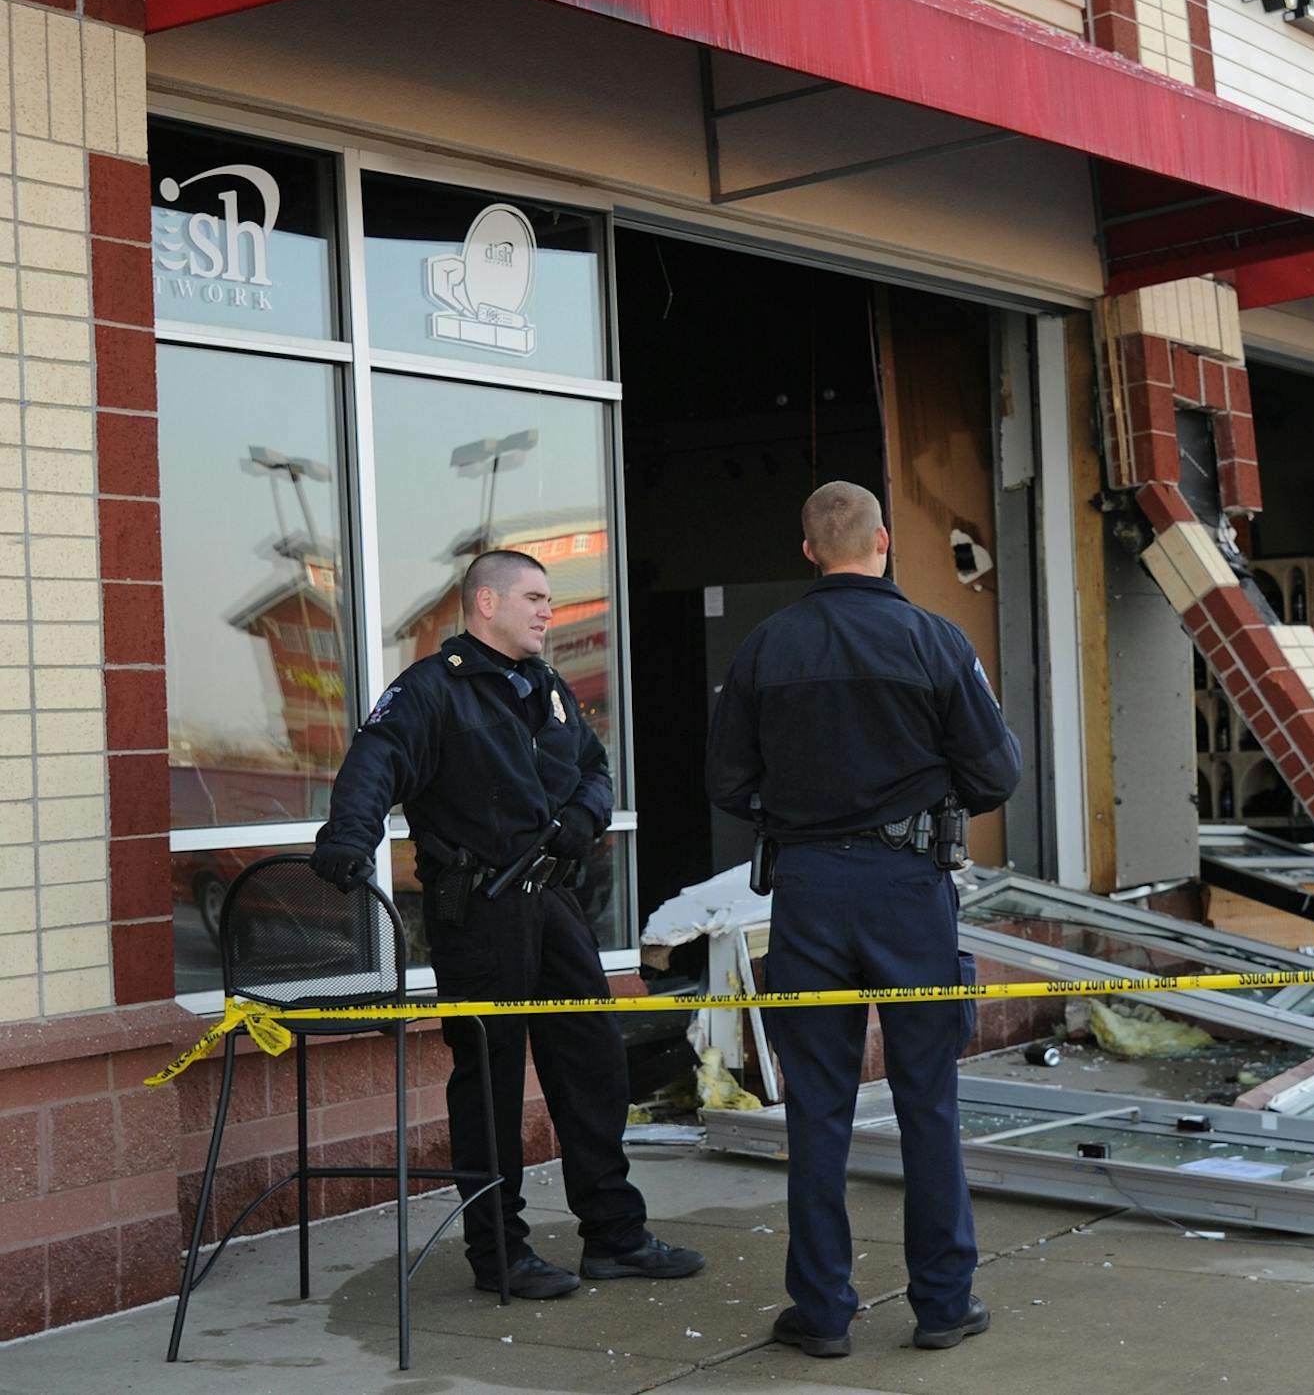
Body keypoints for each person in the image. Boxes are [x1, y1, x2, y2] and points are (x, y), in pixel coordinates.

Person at [309, 549, 705, 1300]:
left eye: (549, 598)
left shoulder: (547, 689)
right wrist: (348, 840)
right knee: (489, 1087)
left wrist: (579, 821)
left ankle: (614, 1236)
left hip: (556, 905)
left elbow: (595, 768)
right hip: (482, 912)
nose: (547, 611)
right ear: (484, 603)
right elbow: (376, 760)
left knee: (593, 1067)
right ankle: (499, 1252)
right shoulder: (433, 690)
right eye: (533, 597)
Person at [707, 481, 1021, 1360]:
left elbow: (726, 784)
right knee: (926, 1101)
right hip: (906, 889)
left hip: (806, 894)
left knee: (817, 1107)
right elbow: (997, 776)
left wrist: (802, 813)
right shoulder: (935, 641)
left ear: (809, 550)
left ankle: (822, 1312)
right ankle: (943, 1305)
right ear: (884, 541)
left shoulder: (765, 648)